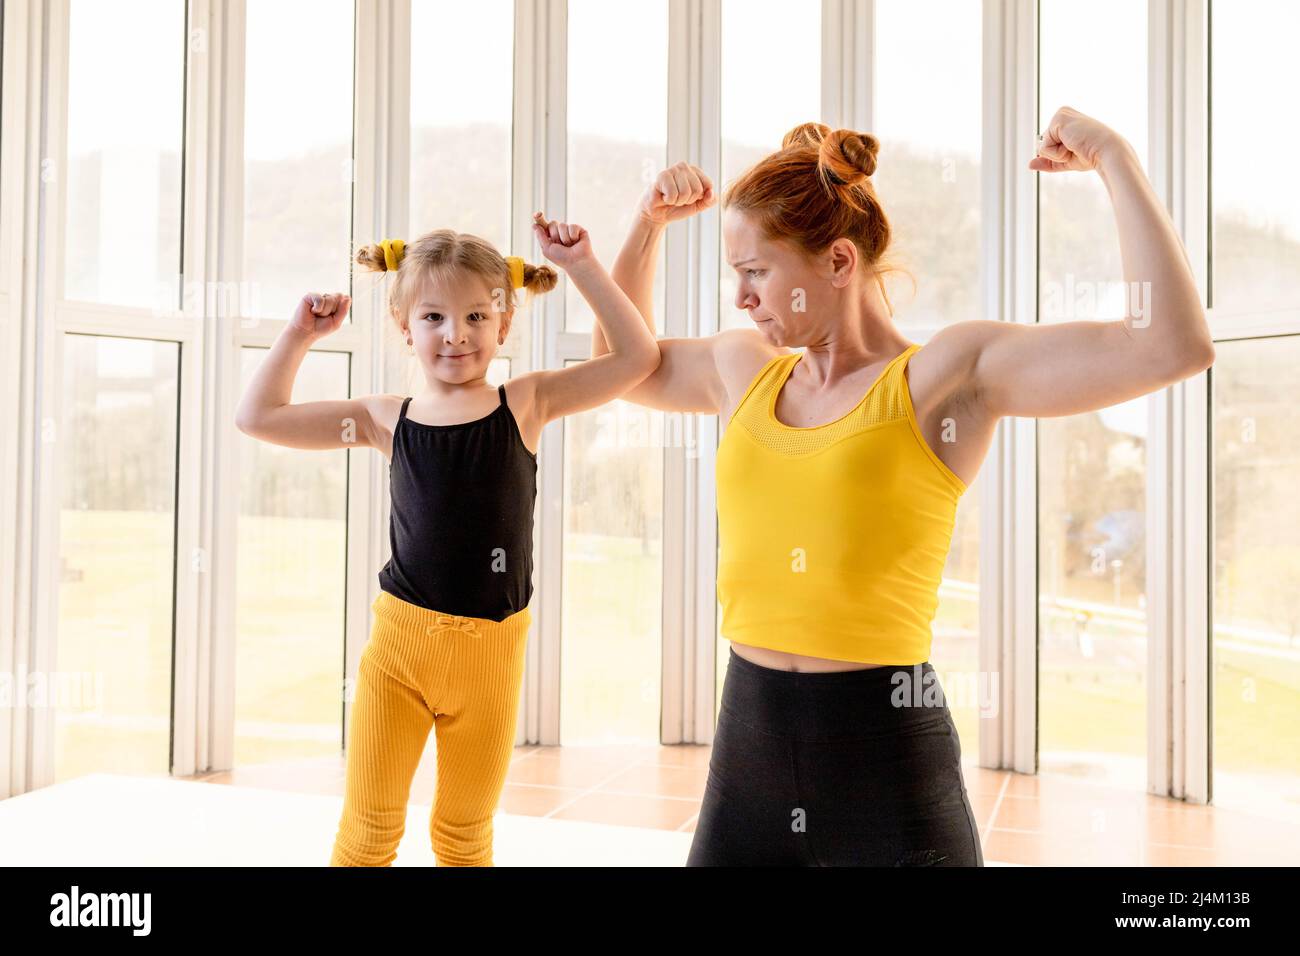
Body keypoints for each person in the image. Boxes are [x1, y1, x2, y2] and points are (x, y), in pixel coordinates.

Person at [597, 107, 1214, 865]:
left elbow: (1171, 346)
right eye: (736, 274)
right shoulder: (742, 370)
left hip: (885, 761)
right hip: (749, 751)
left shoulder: (943, 378)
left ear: (837, 262)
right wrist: (646, 224)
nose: (741, 298)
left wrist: (1115, 158)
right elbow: (619, 363)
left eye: (756, 271)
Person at [235, 213, 660, 866]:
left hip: (489, 661)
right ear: (405, 327)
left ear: (504, 325)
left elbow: (637, 358)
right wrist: (299, 336)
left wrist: (581, 266)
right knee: (367, 832)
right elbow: (258, 416)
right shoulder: (383, 420)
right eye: (433, 318)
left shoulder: (528, 403)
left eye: (476, 317)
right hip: (398, 655)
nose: (455, 335)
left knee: (463, 838)